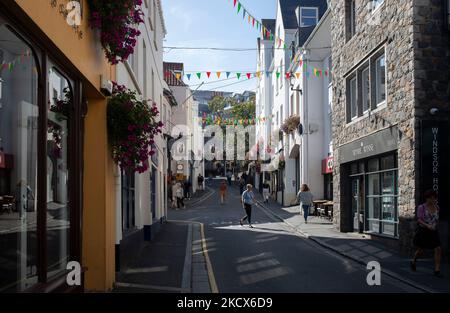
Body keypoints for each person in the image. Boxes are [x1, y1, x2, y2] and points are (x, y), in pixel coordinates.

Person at [411, 190, 443, 277]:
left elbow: (437, 219)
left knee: (438, 249)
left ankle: (437, 270)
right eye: (430, 198)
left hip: (433, 231)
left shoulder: (437, 207)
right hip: (424, 231)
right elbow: (419, 219)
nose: (432, 199)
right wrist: (427, 225)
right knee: (421, 250)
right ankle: (414, 261)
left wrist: (435, 225)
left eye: (434, 198)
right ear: (427, 198)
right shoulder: (422, 207)